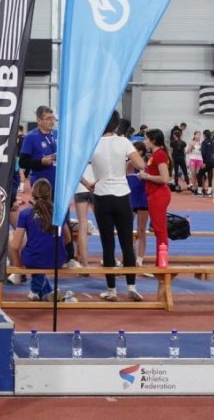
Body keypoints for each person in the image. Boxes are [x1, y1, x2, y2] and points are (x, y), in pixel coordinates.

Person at [83, 111, 146, 302]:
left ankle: (111, 290)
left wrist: (88, 184)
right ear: (117, 125)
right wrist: (126, 161)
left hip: (102, 195)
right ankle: (131, 286)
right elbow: (141, 164)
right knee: (127, 243)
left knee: (107, 244)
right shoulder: (124, 142)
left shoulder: (91, 143)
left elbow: (76, 169)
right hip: (122, 195)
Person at [10, 179, 73, 302]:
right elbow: (68, 238)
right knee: (41, 250)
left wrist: (18, 267)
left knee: (18, 240)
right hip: (58, 259)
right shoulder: (59, 212)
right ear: (50, 194)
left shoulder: (25, 213)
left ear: (32, 194)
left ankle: (33, 289)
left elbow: (15, 245)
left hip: (34, 258)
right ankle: (48, 292)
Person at [140, 129, 172, 262]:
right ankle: (161, 260)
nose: (144, 141)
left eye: (146, 139)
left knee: (160, 230)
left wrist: (146, 176)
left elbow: (165, 178)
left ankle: (162, 261)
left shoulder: (159, 155)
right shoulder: (154, 155)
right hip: (154, 194)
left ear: (153, 141)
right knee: (158, 229)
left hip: (158, 195)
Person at [19, 105, 57, 190]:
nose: (52, 121)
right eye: (48, 119)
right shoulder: (30, 137)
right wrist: (41, 162)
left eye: (52, 118)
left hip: (59, 185)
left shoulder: (57, 134)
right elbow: (22, 162)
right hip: (41, 185)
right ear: (39, 120)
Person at [127, 142, 150, 266]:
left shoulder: (145, 165)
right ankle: (130, 255)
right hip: (130, 199)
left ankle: (140, 258)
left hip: (142, 199)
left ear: (140, 152)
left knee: (141, 230)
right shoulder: (128, 165)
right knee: (127, 229)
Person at [72, 164, 94, 271]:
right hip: (96, 186)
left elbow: (74, 169)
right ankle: (109, 260)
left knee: (82, 225)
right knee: (103, 224)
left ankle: (85, 265)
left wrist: (85, 183)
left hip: (80, 188)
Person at [186, 131, 204, 195]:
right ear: (194, 135)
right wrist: (190, 147)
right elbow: (187, 152)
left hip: (200, 160)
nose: (198, 136)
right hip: (193, 159)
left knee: (198, 174)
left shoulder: (202, 143)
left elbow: (204, 151)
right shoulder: (191, 142)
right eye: (197, 135)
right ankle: (194, 188)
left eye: (199, 135)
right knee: (193, 174)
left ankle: (200, 187)